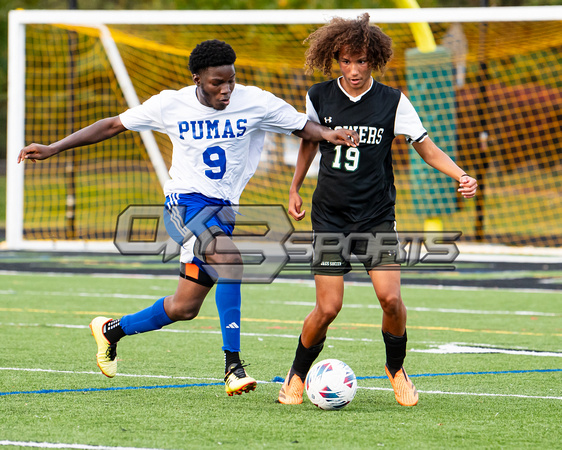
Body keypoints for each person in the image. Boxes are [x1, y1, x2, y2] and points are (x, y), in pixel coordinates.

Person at [18, 39, 359, 396]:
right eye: (216, 83)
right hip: (183, 207)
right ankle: (233, 367)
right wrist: (54, 147)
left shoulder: (255, 101)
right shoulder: (170, 104)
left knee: (184, 307)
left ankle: (111, 330)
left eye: (230, 80)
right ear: (197, 78)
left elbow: (302, 127)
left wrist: (328, 134)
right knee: (230, 260)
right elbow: (112, 125)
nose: (226, 89)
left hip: (223, 213)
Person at [277, 14, 478, 407]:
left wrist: (461, 174)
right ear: (335, 58)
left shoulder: (393, 101)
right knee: (328, 307)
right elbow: (309, 143)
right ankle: (297, 374)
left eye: (362, 61)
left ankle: (396, 369)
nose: (353, 70)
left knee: (390, 300)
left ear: (376, 60)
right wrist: (294, 187)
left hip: (376, 216)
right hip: (330, 217)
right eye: (346, 61)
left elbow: (426, 146)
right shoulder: (319, 96)